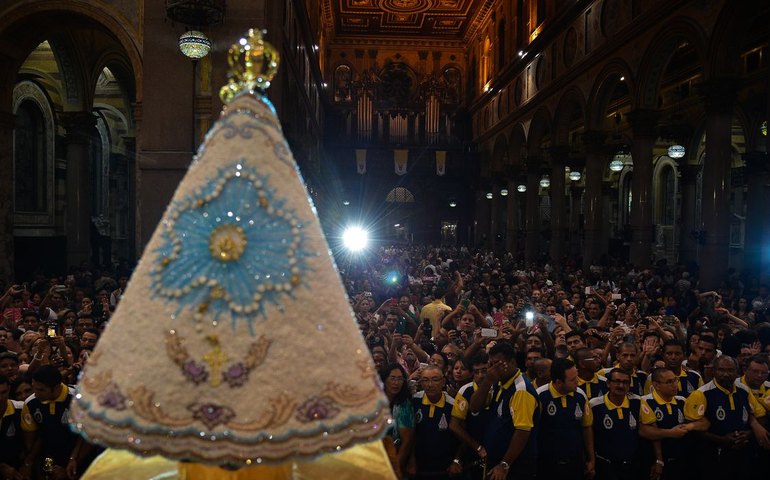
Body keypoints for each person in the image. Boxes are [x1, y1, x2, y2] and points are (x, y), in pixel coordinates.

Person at [683, 355, 770, 480]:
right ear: (714, 371)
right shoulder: (701, 394)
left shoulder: (744, 391)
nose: (726, 374)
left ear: (737, 372)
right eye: (721, 370)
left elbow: (760, 416)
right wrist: (721, 439)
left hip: (743, 453)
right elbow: (692, 428)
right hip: (713, 456)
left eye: (730, 370)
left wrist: (749, 434)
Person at [470, 341, 540, 480]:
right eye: (491, 364)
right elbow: (474, 407)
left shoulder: (521, 390)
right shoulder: (499, 381)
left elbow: (522, 431)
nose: (493, 368)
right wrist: (488, 381)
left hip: (514, 466)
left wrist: (504, 464)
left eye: (497, 364)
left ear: (512, 362)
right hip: (495, 460)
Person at [21, 365, 91, 479]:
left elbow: (88, 436)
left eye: (41, 389)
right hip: (49, 460)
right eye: (33, 387)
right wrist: (46, 467)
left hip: (79, 461)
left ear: (57, 387)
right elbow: (34, 440)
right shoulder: (30, 404)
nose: (35, 393)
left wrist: (73, 461)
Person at [639, 367, 707, 480]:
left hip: (682, 459)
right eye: (669, 382)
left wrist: (691, 426)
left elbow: (705, 423)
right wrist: (670, 433)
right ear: (656, 385)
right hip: (654, 460)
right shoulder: (645, 401)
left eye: (676, 380)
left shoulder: (682, 400)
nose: (675, 384)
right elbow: (644, 431)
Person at [535, 358, 595, 479]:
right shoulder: (540, 395)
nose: (577, 382)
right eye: (572, 380)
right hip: (547, 464)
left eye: (576, 377)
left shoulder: (580, 395)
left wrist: (591, 459)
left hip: (575, 463)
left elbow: (586, 428)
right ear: (558, 382)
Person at [589, 368, 651, 480]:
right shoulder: (594, 405)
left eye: (625, 382)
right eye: (617, 381)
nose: (621, 385)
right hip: (605, 466)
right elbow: (588, 435)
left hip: (633, 466)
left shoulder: (637, 401)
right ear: (608, 383)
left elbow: (648, 428)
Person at [411, 365, 458, 479]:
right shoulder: (414, 401)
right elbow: (409, 435)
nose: (430, 384)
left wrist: (457, 460)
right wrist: (410, 460)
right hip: (418, 466)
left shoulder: (452, 405)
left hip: (445, 467)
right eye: (425, 380)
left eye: (435, 379)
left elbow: (460, 437)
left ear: (443, 382)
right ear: (421, 383)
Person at [449, 354, 489, 479]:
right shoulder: (466, 391)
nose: (481, 375)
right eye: (477, 372)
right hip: (473, 450)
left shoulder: (499, 387)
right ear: (472, 373)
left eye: (484, 370)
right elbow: (454, 425)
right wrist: (477, 446)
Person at [380, 363, 414, 479]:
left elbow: (407, 442)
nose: (396, 383)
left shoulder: (404, 405)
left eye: (400, 379)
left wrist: (395, 468)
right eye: (393, 378)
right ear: (384, 380)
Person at [0, 374, 24, 479]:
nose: (0, 398)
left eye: (3, 392)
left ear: (9, 389)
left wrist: (28, 463)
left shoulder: (22, 408)